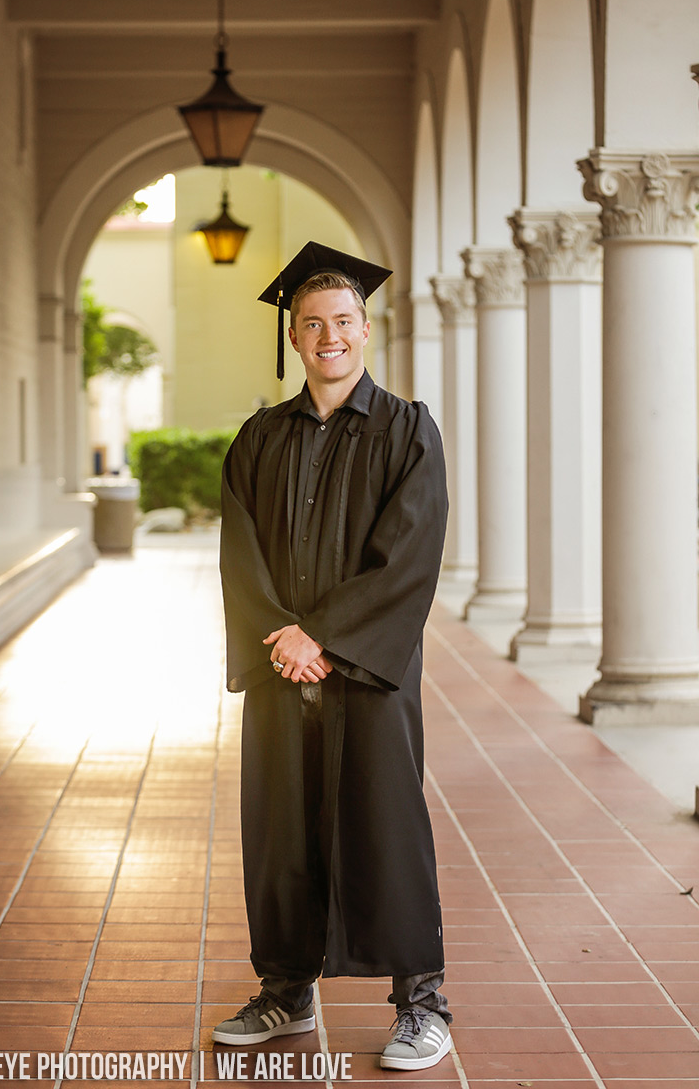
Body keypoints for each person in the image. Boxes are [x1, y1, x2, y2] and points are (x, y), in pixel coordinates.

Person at [215, 242, 451, 1071]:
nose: (328, 337)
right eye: (311, 324)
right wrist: (281, 636)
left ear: (365, 329)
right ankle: (287, 991)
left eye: (342, 321)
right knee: (278, 829)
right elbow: (239, 555)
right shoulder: (259, 437)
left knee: (386, 827)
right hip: (285, 672)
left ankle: (421, 1005)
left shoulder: (407, 431)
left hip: (368, 676)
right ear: (294, 337)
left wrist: (327, 637)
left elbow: (411, 553)